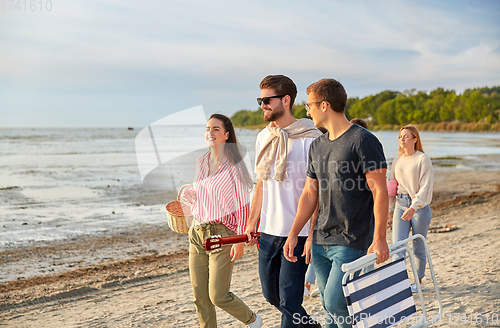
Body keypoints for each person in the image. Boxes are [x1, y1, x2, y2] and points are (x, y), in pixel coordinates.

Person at [283, 78, 390, 328]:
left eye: (308, 105)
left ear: (324, 105)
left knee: (334, 302)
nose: (306, 111)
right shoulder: (317, 145)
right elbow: (310, 193)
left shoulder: (363, 140)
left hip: (351, 239)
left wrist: (380, 237)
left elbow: (380, 192)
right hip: (321, 240)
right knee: (328, 310)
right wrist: (295, 233)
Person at [245, 75, 322, 328]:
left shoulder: (312, 138)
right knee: (271, 296)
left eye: (267, 100)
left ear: (286, 100)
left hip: (297, 232)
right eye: (260, 100)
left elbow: (318, 191)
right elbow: (261, 183)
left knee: (289, 300)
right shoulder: (263, 137)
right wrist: (252, 221)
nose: (262, 105)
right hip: (268, 230)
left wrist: (311, 233)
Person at [187, 114, 262, 328]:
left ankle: (253, 320)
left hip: (223, 235)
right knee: (199, 295)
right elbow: (201, 194)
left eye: (216, 129)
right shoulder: (201, 161)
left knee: (217, 295)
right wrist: (191, 196)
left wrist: (239, 239)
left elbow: (242, 205)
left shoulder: (234, 166)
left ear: (226, 135)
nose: (210, 133)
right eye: (207, 129)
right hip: (196, 231)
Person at [389, 125, 434, 293]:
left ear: (415, 139)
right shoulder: (397, 160)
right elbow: (393, 186)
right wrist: (390, 209)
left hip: (419, 208)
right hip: (400, 204)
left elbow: (426, 187)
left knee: (418, 246)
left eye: (406, 136)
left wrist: (414, 207)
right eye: (401, 136)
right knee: (397, 246)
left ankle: (419, 282)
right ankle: (398, 283)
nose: (402, 139)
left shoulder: (422, 159)